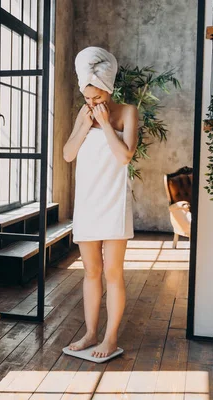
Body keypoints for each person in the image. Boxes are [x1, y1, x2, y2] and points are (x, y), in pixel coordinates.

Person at [63, 46, 138, 359]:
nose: (92, 104)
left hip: (115, 201)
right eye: (87, 98)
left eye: (97, 98)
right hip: (88, 201)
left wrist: (106, 123)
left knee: (113, 273)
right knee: (91, 272)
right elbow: (68, 154)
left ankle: (110, 338)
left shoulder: (127, 113)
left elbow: (124, 157)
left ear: (109, 90)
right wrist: (83, 124)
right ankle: (91, 333)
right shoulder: (84, 113)